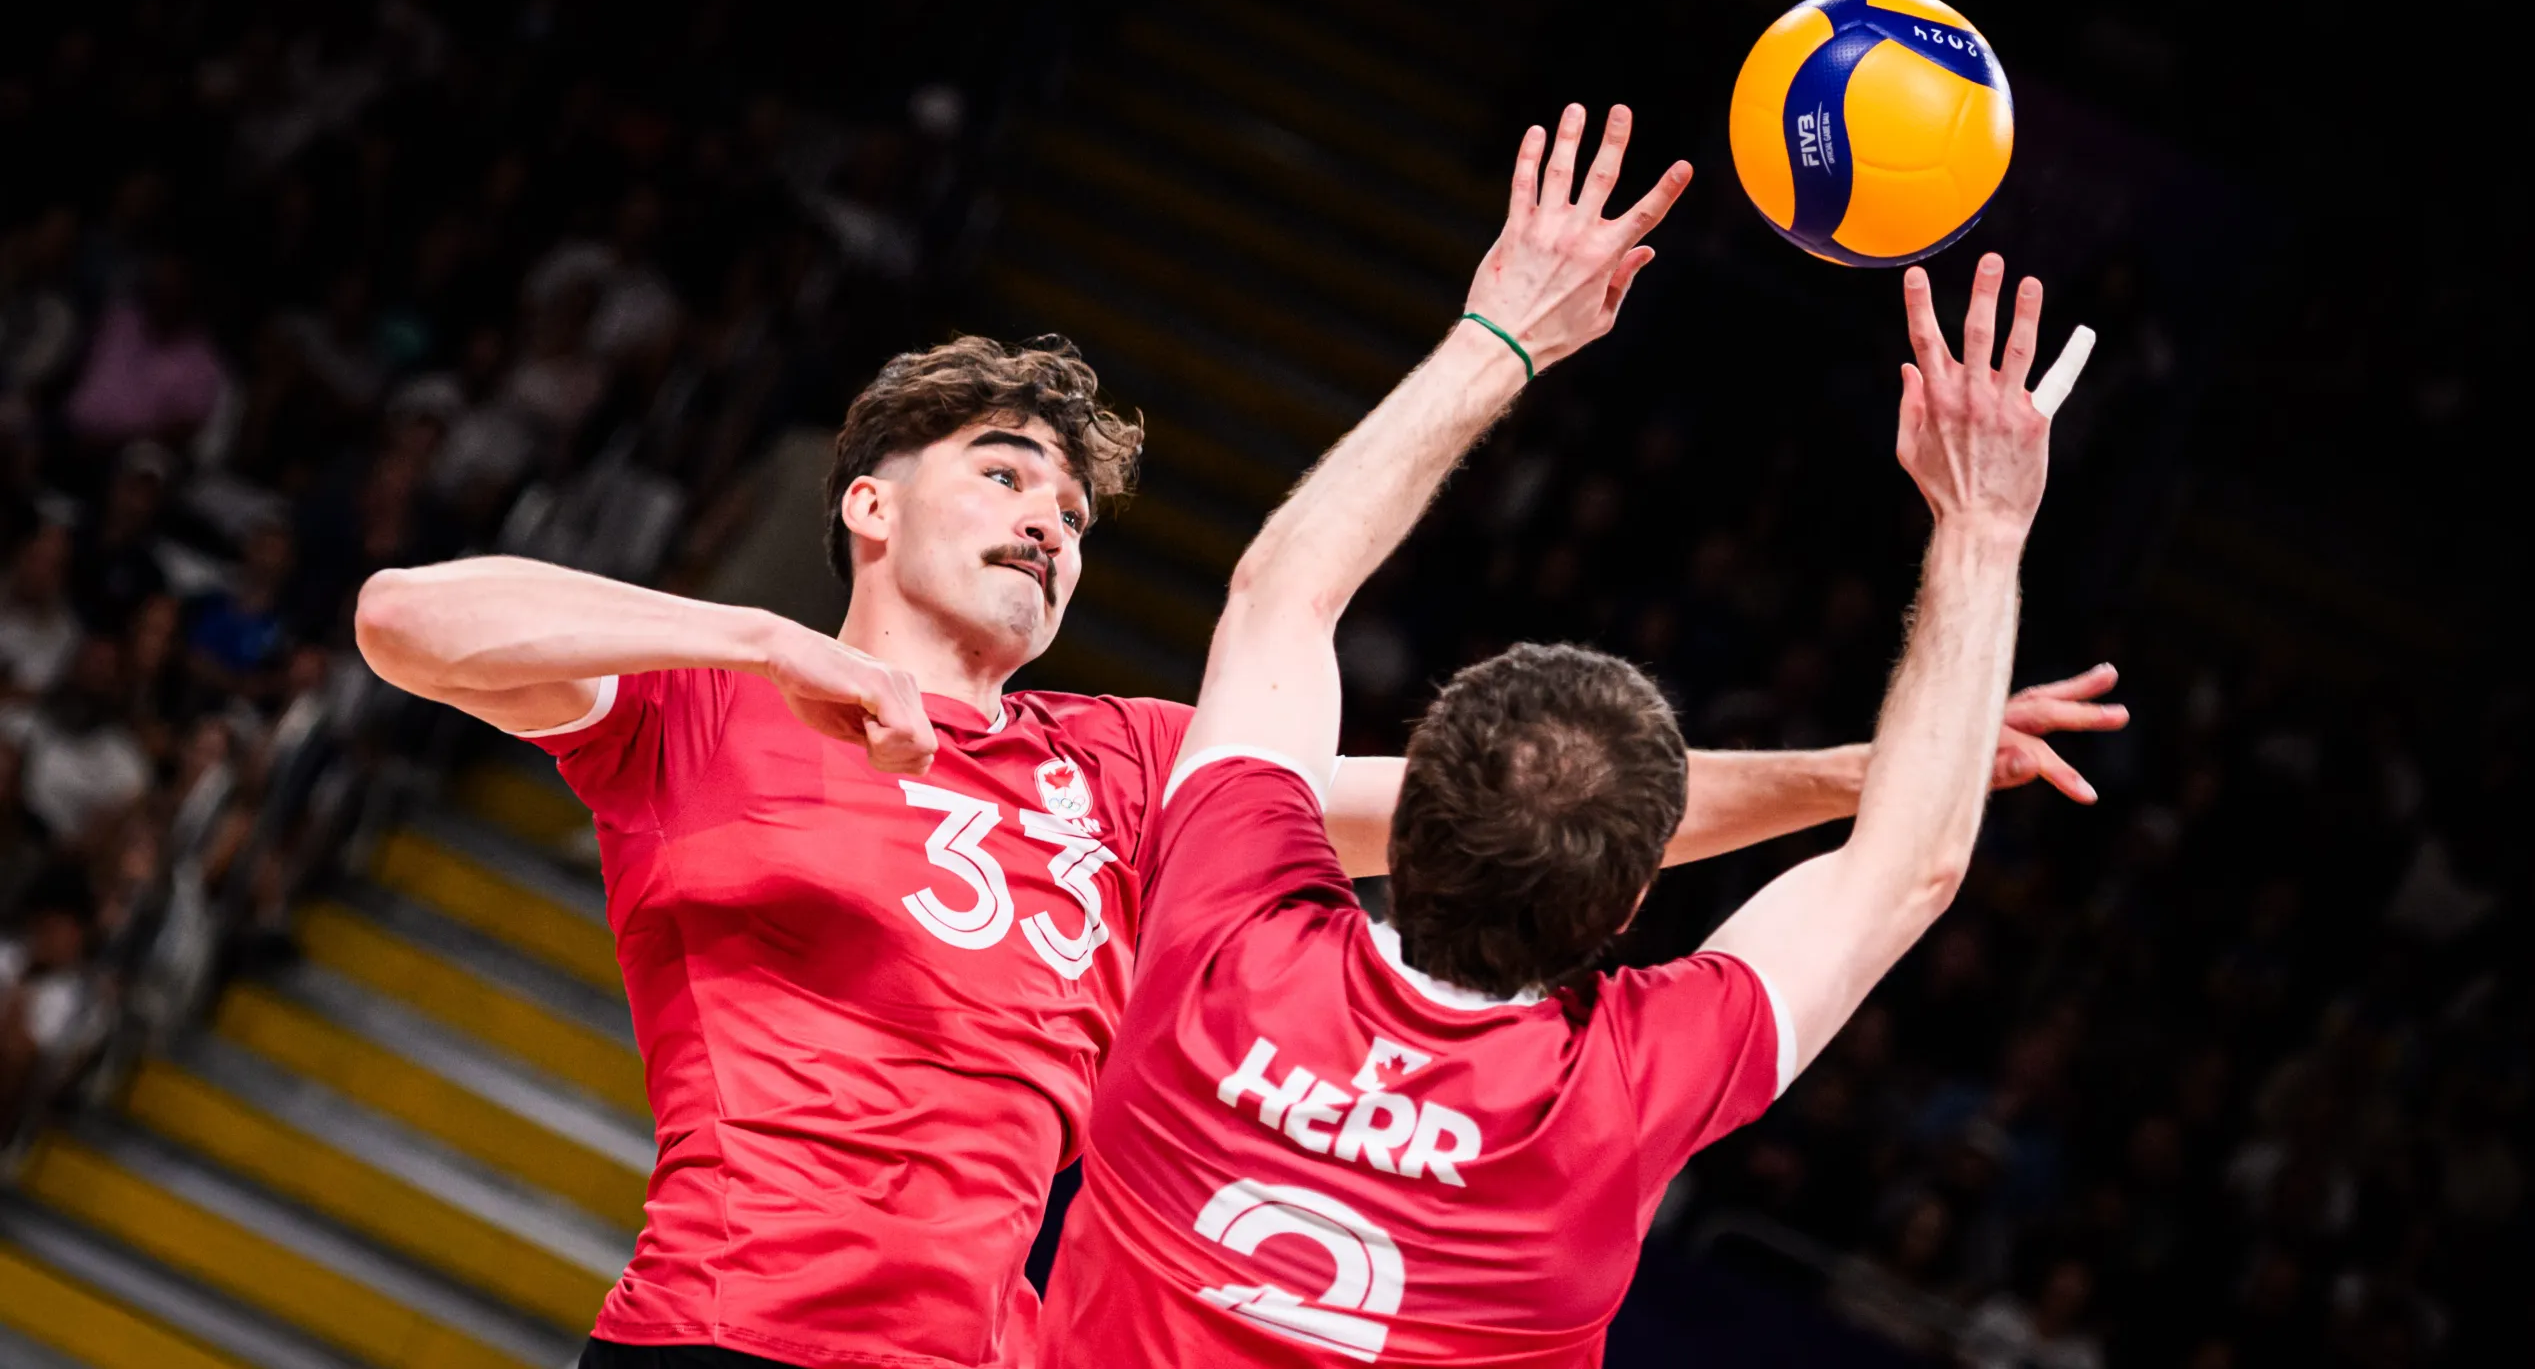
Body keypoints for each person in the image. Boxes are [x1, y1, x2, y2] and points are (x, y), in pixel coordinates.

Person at [354, 105, 2117, 1369]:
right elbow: (408, 621)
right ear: (866, 504)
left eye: (1073, 511)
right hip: (732, 1337)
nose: (1051, 520)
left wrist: (1879, 767)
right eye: (1005, 475)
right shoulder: (708, 706)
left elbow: (1490, 806)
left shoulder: (1125, 765)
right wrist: (748, 636)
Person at [1033, 127, 2099, 1364]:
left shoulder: (1226, 939)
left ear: (1403, 807)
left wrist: (1505, 334)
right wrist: (1979, 530)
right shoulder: (1612, 1096)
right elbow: (1906, 865)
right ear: (1633, 902)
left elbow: (1283, 593)